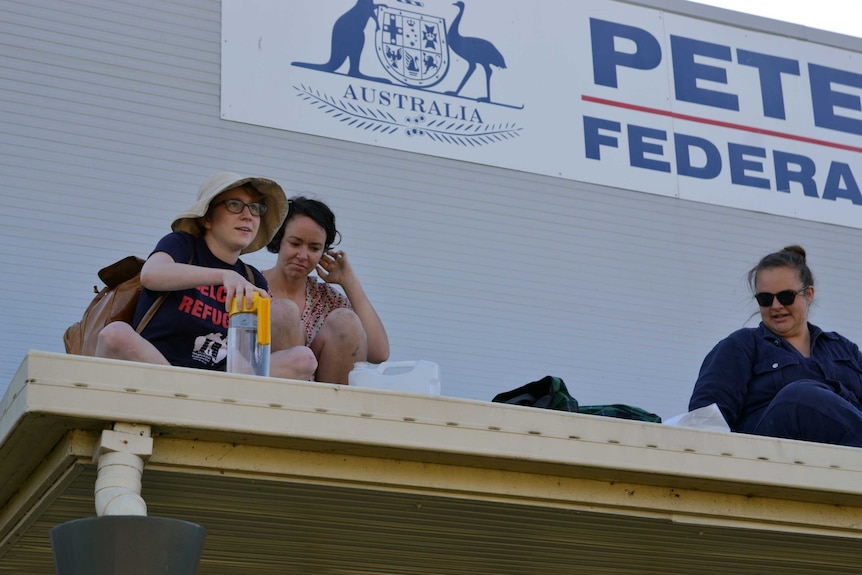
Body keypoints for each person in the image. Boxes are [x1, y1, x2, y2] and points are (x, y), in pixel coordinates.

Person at [95, 172, 317, 380]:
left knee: (304, 359)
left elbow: (247, 358)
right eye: (234, 205)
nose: (248, 215)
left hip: (218, 382)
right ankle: (184, 396)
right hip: (157, 371)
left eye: (255, 208)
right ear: (207, 219)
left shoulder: (251, 278)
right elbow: (151, 274)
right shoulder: (181, 245)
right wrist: (223, 276)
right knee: (116, 334)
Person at [689, 245, 862, 447]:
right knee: (799, 397)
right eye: (765, 299)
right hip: (768, 457)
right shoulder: (741, 345)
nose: (776, 306)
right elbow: (704, 422)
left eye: (786, 296)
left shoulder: (843, 348)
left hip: (843, 461)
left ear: (809, 294)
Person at [262, 196, 389, 384]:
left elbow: (379, 353)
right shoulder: (250, 284)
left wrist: (349, 281)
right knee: (283, 312)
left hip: (321, 406)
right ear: (279, 240)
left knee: (346, 321)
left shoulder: (328, 300)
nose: (303, 255)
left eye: (314, 248)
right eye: (295, 243)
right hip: (268, 399)